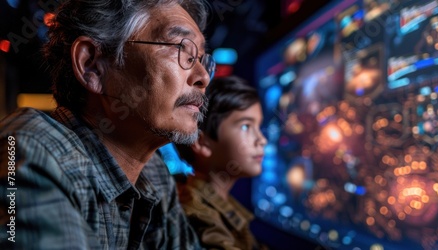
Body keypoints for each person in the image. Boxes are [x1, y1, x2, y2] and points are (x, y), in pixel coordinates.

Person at [0, 0, 216, 249]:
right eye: (181, 48)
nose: (204, 77)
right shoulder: (32, 150)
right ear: (92, 65)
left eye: (200, 58)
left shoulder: (154, 173)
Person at [175, 76, 268, 250]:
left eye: (259, 127)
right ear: (201, 143)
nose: (262, 140)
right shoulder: (198, 216)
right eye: (246, 126)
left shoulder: (221, 204)